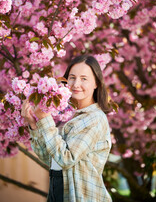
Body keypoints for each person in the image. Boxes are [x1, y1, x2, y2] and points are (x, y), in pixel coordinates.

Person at [21, 54, 112, 202]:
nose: (76, 84)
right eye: (72, 77)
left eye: (84, 79)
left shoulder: (95, 118)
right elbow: (50, 158)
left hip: (81, 195)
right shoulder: (69, 115)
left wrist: (44, 119)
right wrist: (33, 125)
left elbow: (66, 159)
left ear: (96, 83)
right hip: (57, 189)